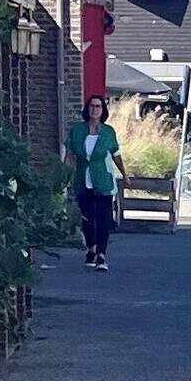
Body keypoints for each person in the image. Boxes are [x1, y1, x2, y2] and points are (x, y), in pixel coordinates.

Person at [71, 96, 123, 271]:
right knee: (87, 218)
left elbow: (116, 154)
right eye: (92, 106)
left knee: (103, 219)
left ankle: (101, 255)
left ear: (103, 110)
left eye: (98, 106)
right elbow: (70, 154)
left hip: (102, 180)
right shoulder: (78, 131)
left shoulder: (108, 132)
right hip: (83, 179)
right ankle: (91, 248)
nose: (95, 109)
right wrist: (64, 175)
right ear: (88, 109)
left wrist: (125, 174)